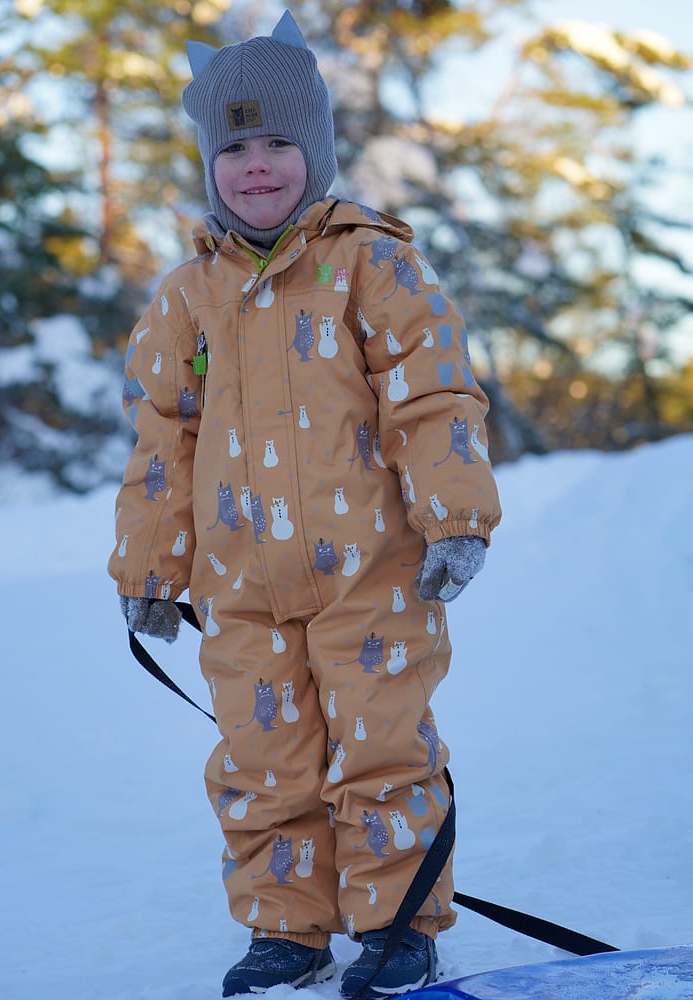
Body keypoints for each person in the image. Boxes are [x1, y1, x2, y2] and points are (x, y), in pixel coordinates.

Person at [108, 10, 501, 998]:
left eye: (277, 141)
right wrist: (150, 567)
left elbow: (434, 394)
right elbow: (162, 441)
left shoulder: (373, 261)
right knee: (261, 762)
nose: (256, 165)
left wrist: (454, 513)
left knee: (380, 748)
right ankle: (286, 927)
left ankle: (397, 925)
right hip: (239, 589)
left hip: (370, 573)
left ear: (314, 148)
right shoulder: (186, 296)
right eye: (233, 146)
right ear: (209, 164)